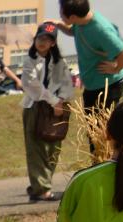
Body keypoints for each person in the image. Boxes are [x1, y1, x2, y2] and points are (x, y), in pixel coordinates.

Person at [20, 24, 73, 202]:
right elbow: (31, 84)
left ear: (53, 43)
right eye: (40, 38)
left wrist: (62, 101)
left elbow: (67, 83)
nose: (42, 42)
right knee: (36, 149)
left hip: (57, 108)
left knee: (53, 147)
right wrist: (53, 100)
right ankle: (42, 189)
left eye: (47, 39)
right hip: (35, 107)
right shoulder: (29, 61)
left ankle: (40, 186)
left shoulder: (60, 62)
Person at [60, 0, 123, 114]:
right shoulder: (81, 22)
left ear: (73, 17)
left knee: (102, 128)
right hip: (93, 85)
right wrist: (56, 24)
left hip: (107, 86)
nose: (60, 15)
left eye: (61, 12)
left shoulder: (100, 29)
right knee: (93, 127)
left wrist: (116, 69)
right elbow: (72, 31)